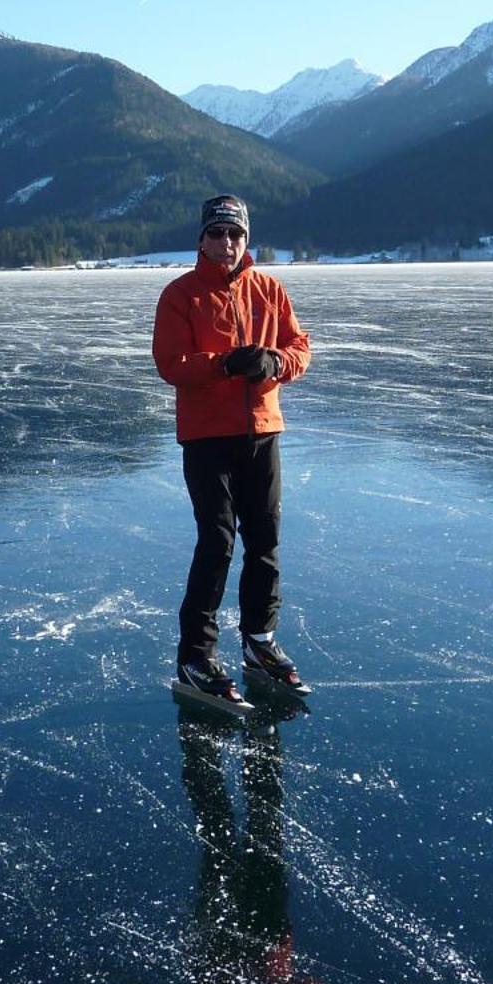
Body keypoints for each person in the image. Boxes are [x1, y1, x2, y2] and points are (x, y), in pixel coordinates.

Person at [152, 194, 313, 706]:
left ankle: (259, 642)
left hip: (263, 430)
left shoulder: (269, 288)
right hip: (207, 436)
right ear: (201, 238)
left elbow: (299, 348)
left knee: (264, 540)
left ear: (247, 239)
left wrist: (274, 363)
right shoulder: (181, 295)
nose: (227, 243)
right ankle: (196, 655)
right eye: (218, 233)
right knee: (217, 542)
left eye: (236, 234)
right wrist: (224, 364)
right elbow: (171, 363)